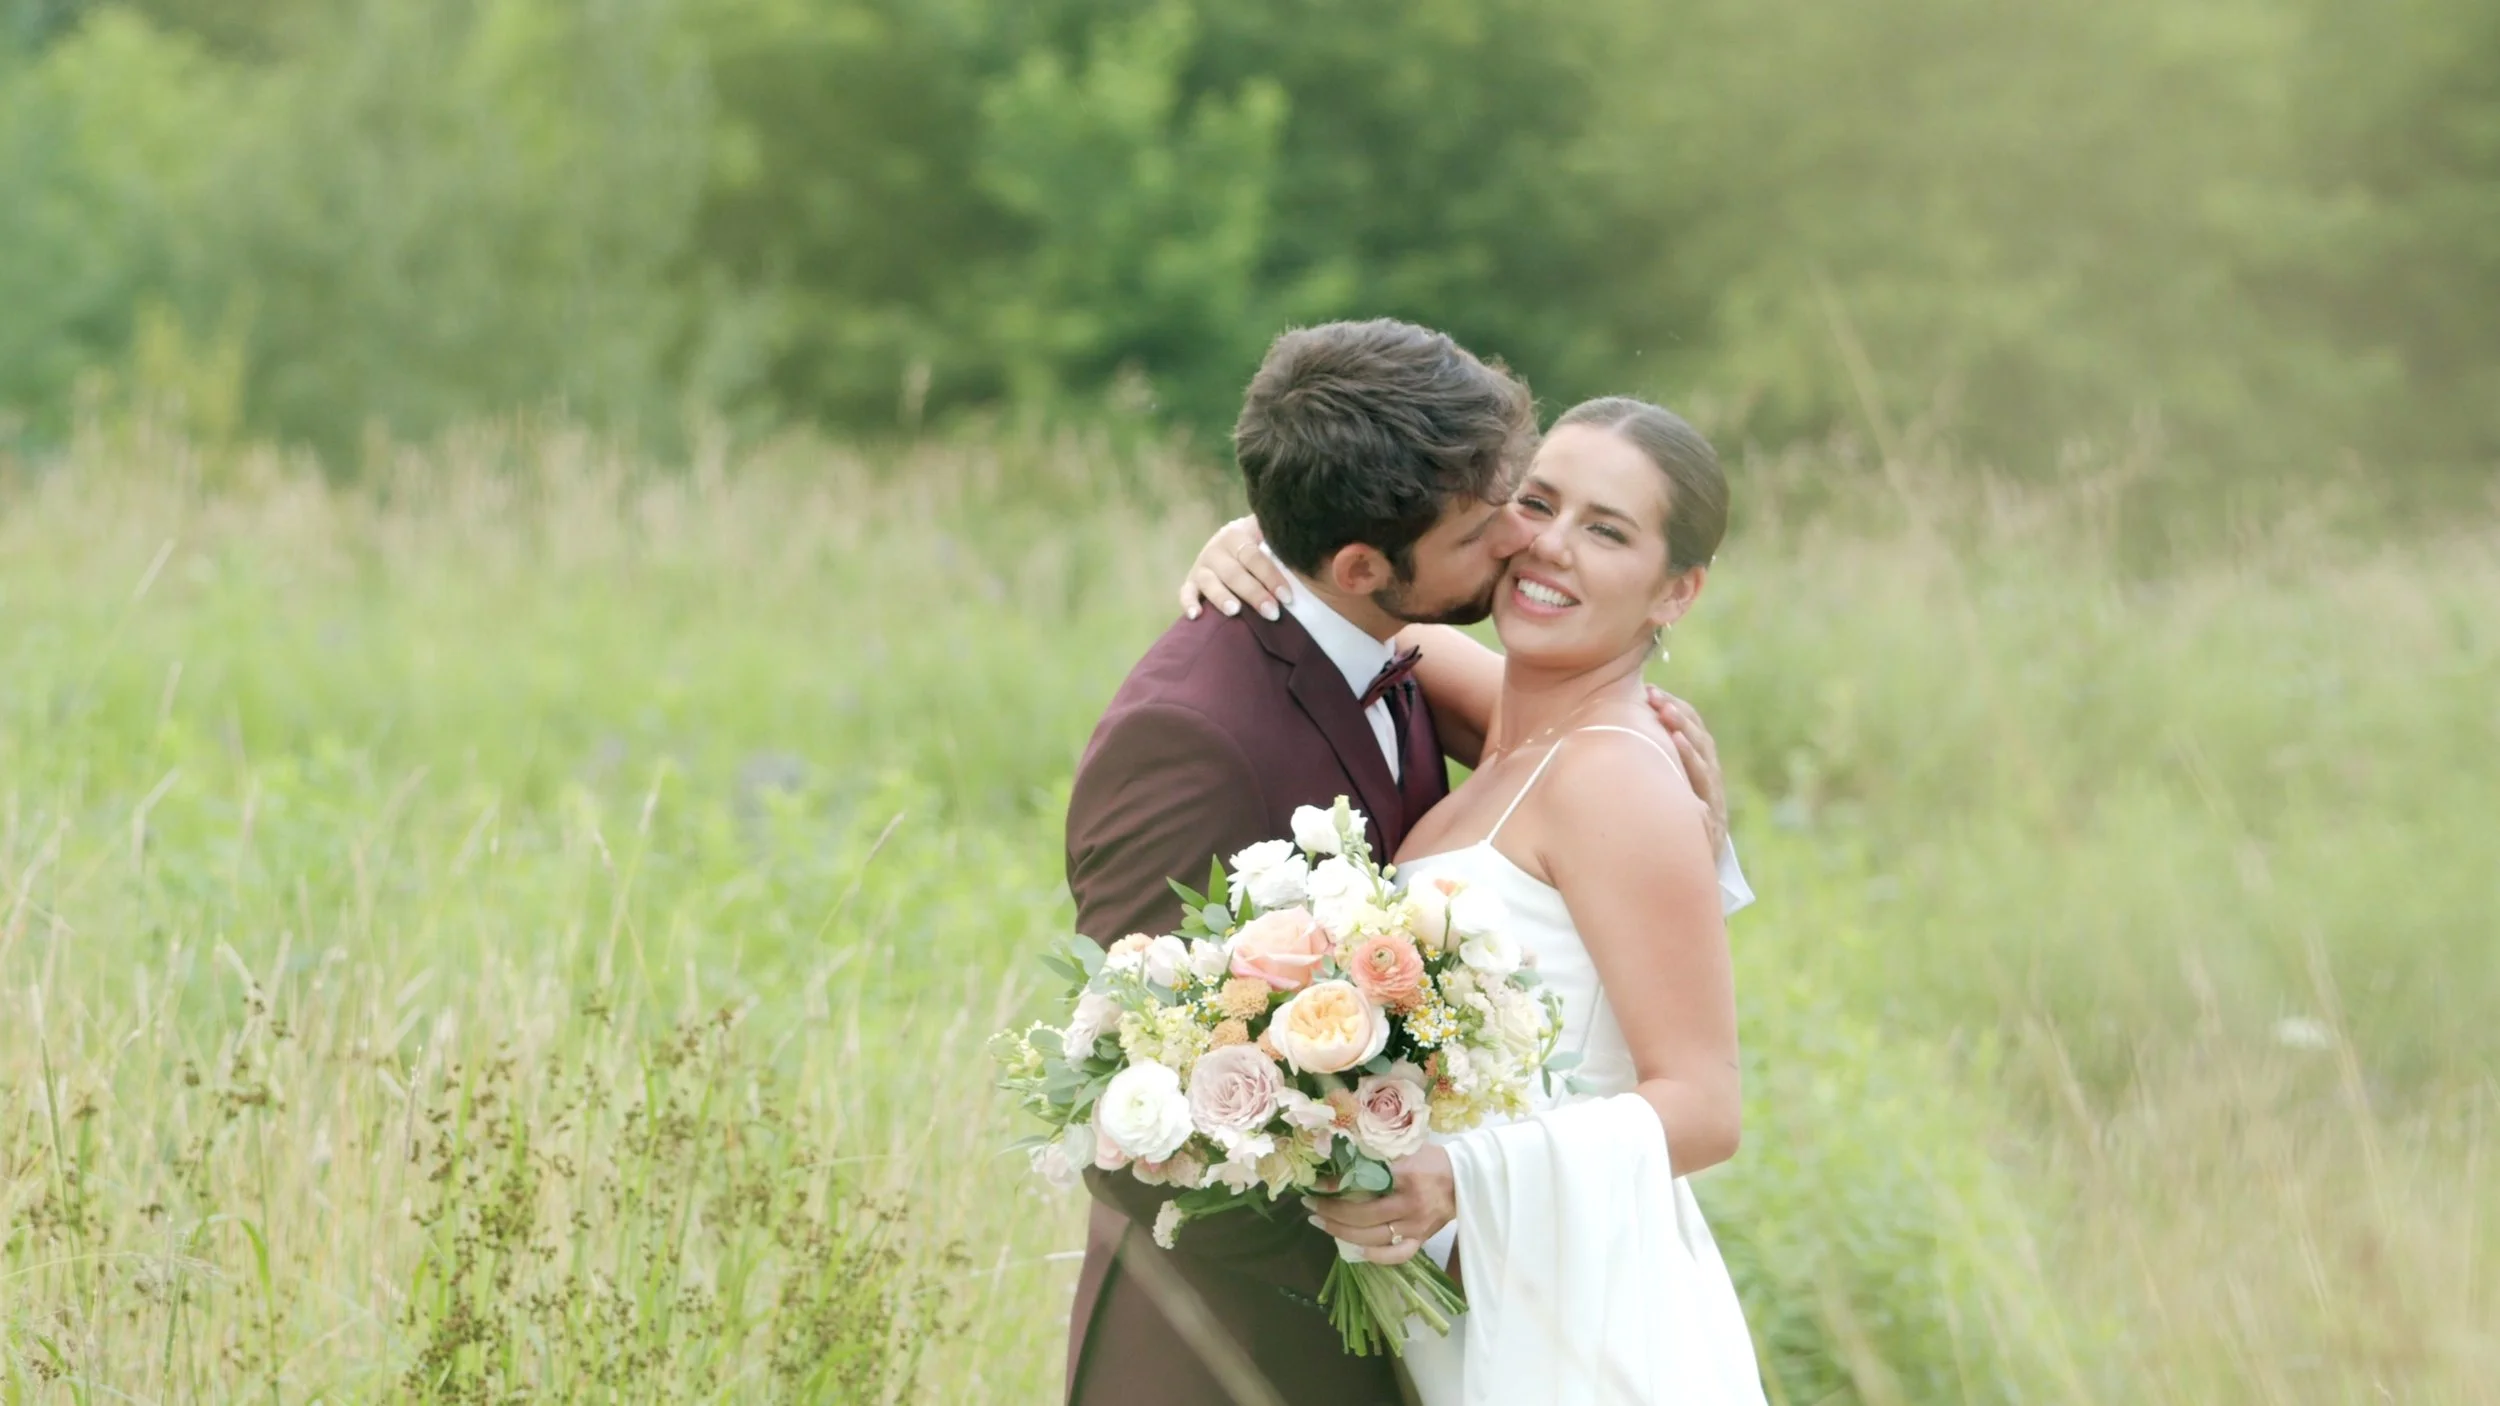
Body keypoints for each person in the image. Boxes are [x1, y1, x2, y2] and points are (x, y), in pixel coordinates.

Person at [1062, 321, 1743, 1406]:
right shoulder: (1464, 687)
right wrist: (1266, 534)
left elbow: (1706, 1101)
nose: (1540, 542)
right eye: (1533, 500)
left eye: (1605, 530)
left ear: (1675, 590)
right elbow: (1344, 614)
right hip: (1357, 1328)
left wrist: (1452, 1184)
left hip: (1541, 1308)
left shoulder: (1613, 766)